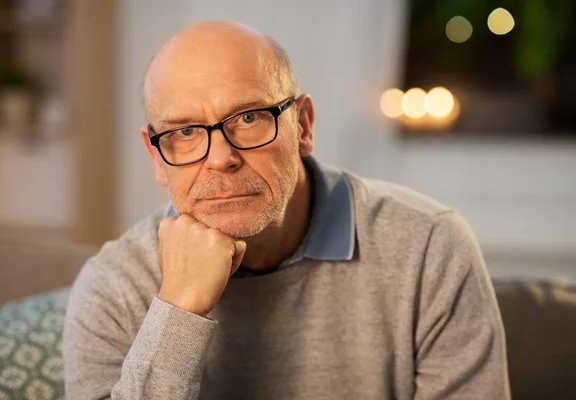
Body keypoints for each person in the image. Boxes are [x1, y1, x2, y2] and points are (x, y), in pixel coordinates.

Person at [63, 20, 510, 400]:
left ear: (303, 127)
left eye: (249, 117)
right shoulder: (112, 284)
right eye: (184, 132)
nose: (220, 157)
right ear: (156, 156)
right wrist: (178, 309)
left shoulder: (429, 247)